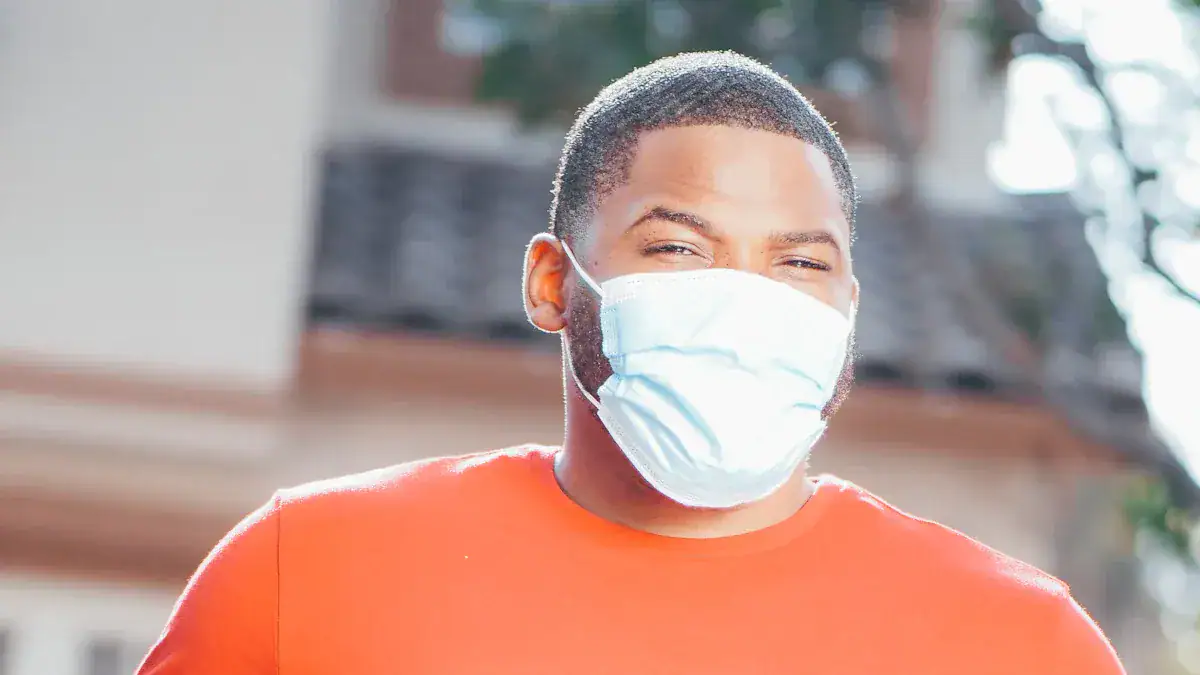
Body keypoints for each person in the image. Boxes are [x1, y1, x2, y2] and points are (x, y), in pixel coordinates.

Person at [137, 51, 1125, 674]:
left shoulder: (1017, 644)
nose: (748, 303)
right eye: (681, 248)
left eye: (800, 262)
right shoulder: (303, 573)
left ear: (849, 312)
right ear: (552, 283)